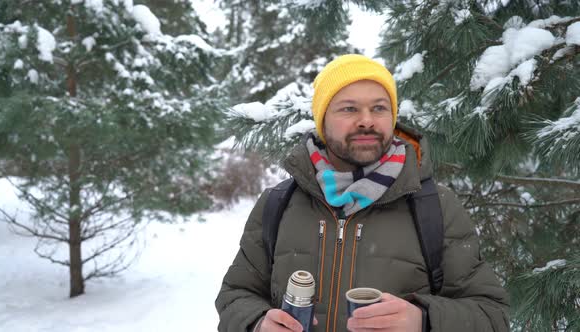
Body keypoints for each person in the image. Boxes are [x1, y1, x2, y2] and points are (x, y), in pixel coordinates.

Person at [215, 54, 509, 332]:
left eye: (379, 108)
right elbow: (236, 295)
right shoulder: (279, 203)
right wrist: (256, 322)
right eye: (349, 108)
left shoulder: (435, 206)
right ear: (322, 120)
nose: (367, 120)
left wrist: (424, 320)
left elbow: (491, 314)